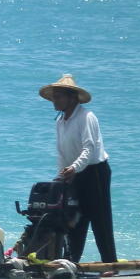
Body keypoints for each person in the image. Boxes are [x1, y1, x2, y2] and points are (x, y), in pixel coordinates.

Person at [39, 73, 115, 263]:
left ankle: (109, 262)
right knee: (74, 217)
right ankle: (73, 260)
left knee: (100, 219)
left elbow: (88, 148)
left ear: (71, 97)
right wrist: (61, 175)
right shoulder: (60, 121)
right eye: (53, 97)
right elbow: (62, 152)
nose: (54, 101)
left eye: (58, 97)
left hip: (95, 171)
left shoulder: (86, 117)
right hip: (74, 174)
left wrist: (74, 168)